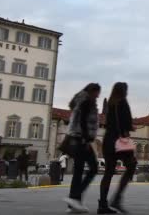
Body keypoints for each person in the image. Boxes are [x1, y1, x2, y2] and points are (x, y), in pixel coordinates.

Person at [99, 82, 137, 214]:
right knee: (131, 165)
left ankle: (102, 205)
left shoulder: (110, 104)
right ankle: (117, 198)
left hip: (108, 140)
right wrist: (131, 127)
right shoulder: (123, 103)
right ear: (123, 91)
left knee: (108, 172)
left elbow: (111, 122)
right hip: (120, 141)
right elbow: (126, 124)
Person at [64, 83, 101, 213]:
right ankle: (74, 198)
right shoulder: (87, 101)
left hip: (76, 138)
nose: (98, 95)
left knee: (78, 172)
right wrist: (86, 138)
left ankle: (73, 204)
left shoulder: (79, 100)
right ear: (93, 91)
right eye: (97, 92)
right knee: (93, 168)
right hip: (82, 139)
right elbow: (83, 121)